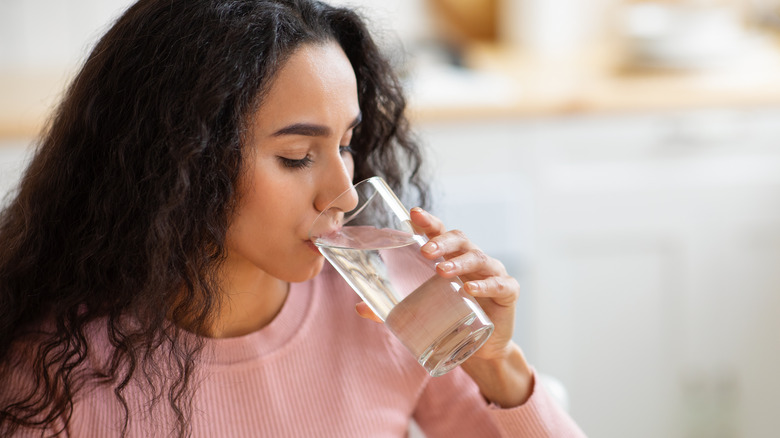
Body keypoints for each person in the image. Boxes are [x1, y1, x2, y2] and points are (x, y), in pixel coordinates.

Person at [0, 0, 586, 436]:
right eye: (296, 157)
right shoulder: (56, 371)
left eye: (347, 144)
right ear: (178, 158)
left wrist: (497, 364)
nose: (342, 192)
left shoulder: (388, 314)